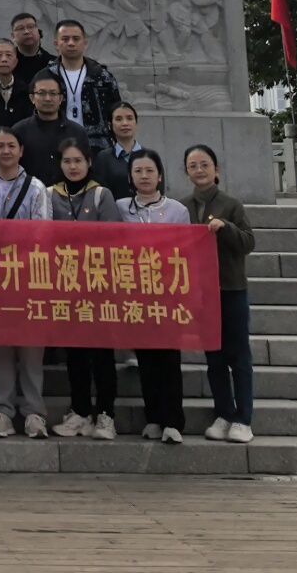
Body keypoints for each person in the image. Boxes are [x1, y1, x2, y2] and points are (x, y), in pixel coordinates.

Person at [48, 139, 123, 439]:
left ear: (89, 162)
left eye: (78, 160)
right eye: (67, 161)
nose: (73, 167)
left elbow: (112, 239)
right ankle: (79, 412)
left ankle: (105, 415)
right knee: (75, 354)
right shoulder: (49, 195)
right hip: (65, 285)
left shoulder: (102, 194)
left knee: (102, 354)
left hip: (98, 285)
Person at [0, 125, 51, 437]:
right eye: (0, 146)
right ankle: (2, 411)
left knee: (31, 348)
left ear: (21, 151)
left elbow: (43, 233)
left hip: (27, 276)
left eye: (11, 146)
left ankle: (34, 413)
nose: (6, 151)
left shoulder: (36, 188)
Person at [185, 143, 256, 443]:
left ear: (216, 169)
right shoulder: (182, 207)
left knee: (238, 356)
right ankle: (223, 413)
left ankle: (243, 418)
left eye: (204, 165)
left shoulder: (231, 204)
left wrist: (225, 227)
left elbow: (248, 242)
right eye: (192, 166)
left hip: (231, 288)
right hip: (201, 292)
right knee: (213, 357)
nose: (199, 170)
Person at [120, 148, 188, 443]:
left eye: (149, 170)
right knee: (146, 360)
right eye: (138, 171)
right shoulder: (120, 208)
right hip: (135, 294)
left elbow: (186, 251)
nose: (144, 176)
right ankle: (154, 419)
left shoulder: (177, 210)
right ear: (130, 176)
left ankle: (173, 421)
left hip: (167, 294)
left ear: (160, 176)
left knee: (169, 359)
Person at [41, 18, 122, 135]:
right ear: (56, 44)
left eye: (76, 39)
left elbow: (116, 111)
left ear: (85, 43)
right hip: (55, 140)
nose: (71, 43)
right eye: (65, 39)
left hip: (96, 141)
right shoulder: (45, 77)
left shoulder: (102, 76)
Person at [12, 74, 90, 183]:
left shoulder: (77, 132)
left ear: (61, 99)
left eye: (53, 93)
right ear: (32, 98)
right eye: (42, 93)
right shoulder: (19, 131)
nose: (47, 98)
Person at [96, 101, 143, 199]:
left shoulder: (149, 156)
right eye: (118, 119)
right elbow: (100, 193)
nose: (125, 123)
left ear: (136, 123)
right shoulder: (104, 158)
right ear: (110, 125)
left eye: (129, 118)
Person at [6, 11, 53, 85]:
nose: (26, 32)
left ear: (38, 32)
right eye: (21, 28)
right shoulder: (7, 62)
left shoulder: (53, 63)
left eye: (31, 27)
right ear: (13, 36)